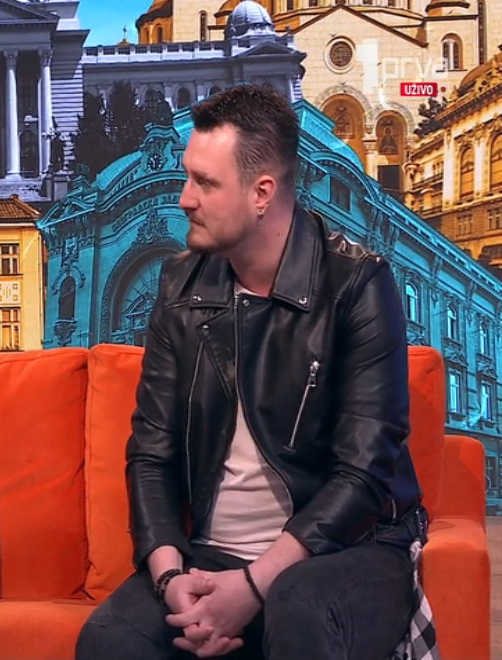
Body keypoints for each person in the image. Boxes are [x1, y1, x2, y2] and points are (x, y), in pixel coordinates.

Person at [76, 83, 427, 660]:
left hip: (348, 549)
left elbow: (363, 474)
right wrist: (170, 577)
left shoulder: (358, 283)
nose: (184, 199)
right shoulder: (179, 285)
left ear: (262, 192)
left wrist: (254, 585)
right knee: (110, 639)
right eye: (188, 178)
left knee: (298, 607)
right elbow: (152, 453)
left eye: (205, 183)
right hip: (211, 554)